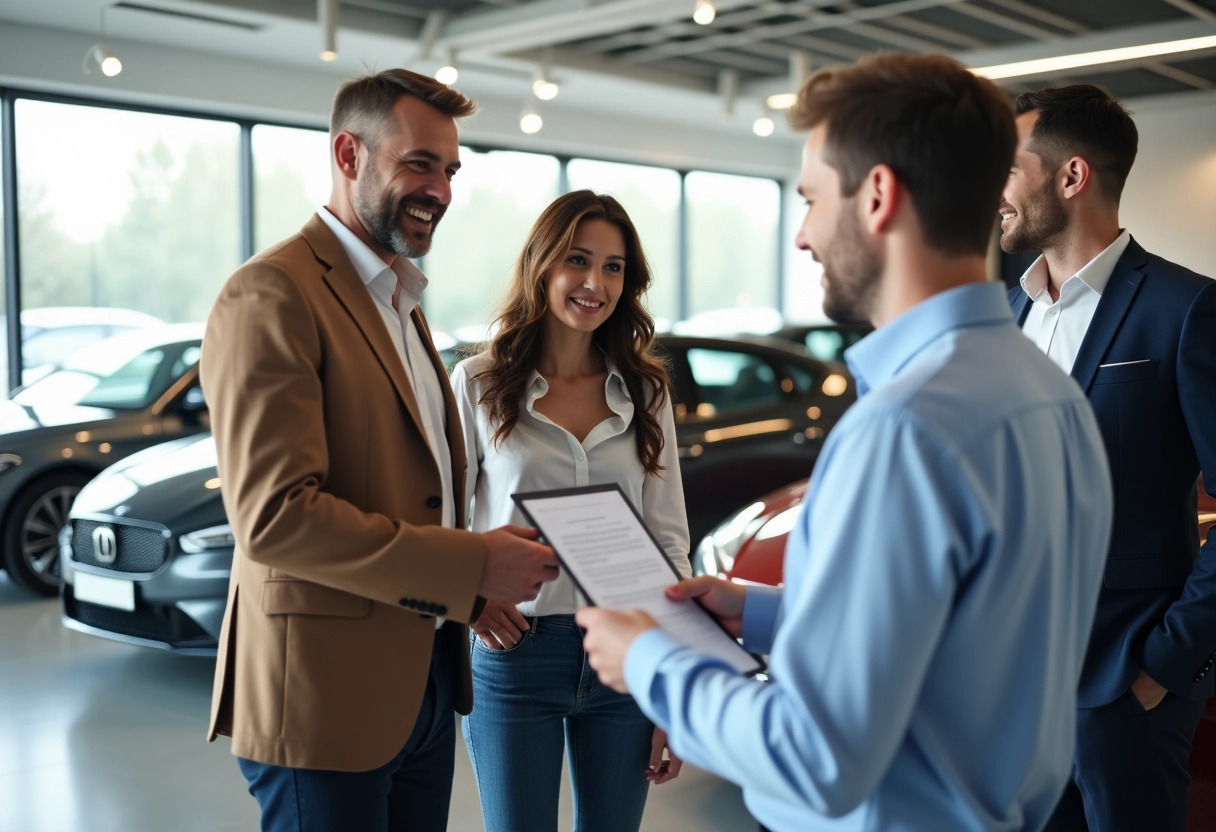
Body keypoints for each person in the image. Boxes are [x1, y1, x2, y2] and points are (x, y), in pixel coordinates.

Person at [576, 53, 1115, 832]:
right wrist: (764, 616)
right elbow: (967, 643)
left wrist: (651, 662)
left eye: (810, 199)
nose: (801, 236)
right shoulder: (1054, 397)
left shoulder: (904, 428)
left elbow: (816, 758)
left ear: (877, 196)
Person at [200, 69, 560, 832]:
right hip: (323, 701)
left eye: (451, 170)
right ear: (349, 154)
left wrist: (469, 593)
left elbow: (408, 489)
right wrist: (470, 565)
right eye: (419, 164)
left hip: (422, 685)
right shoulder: (272, 293)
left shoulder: (400, 301)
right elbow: (276, 520)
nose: (442, 190)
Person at [1000, 84, 1216, 832]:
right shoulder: (1008, 312)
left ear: (1071, 177)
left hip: (1126, 687)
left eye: (1008, 166)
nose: (993, 189)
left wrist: (1169, 669)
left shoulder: (1186, 310)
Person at [450, 189, 691, 832]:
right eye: (578, 261)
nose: (595, 283)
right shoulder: (477, 383)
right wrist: (468, 599)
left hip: (628, 648)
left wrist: (668, 680)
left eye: (614, 267)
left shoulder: (646, 390)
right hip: (515, 651)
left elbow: (668, 538)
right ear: (543, 265)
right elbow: (443, 518)